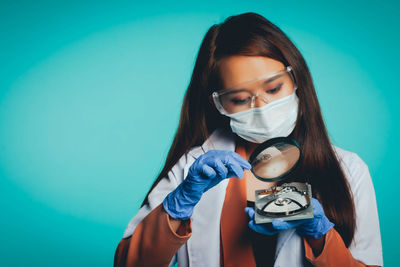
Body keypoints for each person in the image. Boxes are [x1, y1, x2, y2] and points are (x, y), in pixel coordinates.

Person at [114, 12, 383, 267]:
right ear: (218, 103)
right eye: (240, 99)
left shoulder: (349, 169)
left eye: (274, 88)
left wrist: (320, 236)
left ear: (296, 78)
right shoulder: (193, 167)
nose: (262, 107)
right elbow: (127, 263)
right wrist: (177, 206)